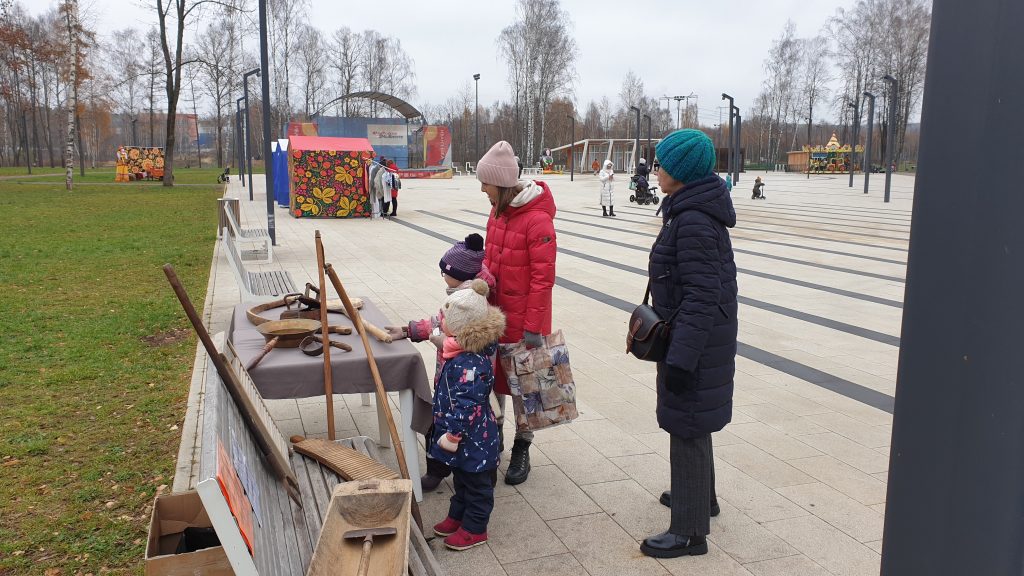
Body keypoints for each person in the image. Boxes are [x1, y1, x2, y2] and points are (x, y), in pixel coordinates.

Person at [641, 129, 738, 559]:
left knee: (686, 426)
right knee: (694, 422)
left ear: (680, 172)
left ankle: (689, 532)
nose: (655, 170)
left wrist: (680, 361)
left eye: (661, 164)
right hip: (696, 338)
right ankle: (703, 498)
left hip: (693, 342)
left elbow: (702, 296)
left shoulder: (694, 220)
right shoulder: (689, 209)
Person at [385, 234, 496, 492]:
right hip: (448, 378)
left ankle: (480, 475)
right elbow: (439, 324)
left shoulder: (469, 302)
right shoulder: (461, 294)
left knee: (467, 422)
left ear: (459, 273)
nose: (442, 277)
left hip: (463, 380)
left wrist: (442, 342)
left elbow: (463, 337)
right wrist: (409, 329)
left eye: (444, 272)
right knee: (445, 421)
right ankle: (441, 469)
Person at [475, 140, 557, 486]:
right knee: (494, 382)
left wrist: (534, 327)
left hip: (525, 322)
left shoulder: (537, 221)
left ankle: (523, 446)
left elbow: (543, 279)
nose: (482, 189)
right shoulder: (497, 213)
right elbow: (489, 261)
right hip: (495, 316)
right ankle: (494, 441)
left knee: (526, 387)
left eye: (486, 183)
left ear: (503, 184)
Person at [427, 280, 505, 550]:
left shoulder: (471, 364)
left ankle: (475, 528)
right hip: (463, 438)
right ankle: (458, 516)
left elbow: (467, 405)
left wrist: (453, 433)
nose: (442, 324)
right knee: (461, 478)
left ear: (461, 327)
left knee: (477, 485)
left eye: (445, 320)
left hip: (472, 438)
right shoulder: (458, 351)